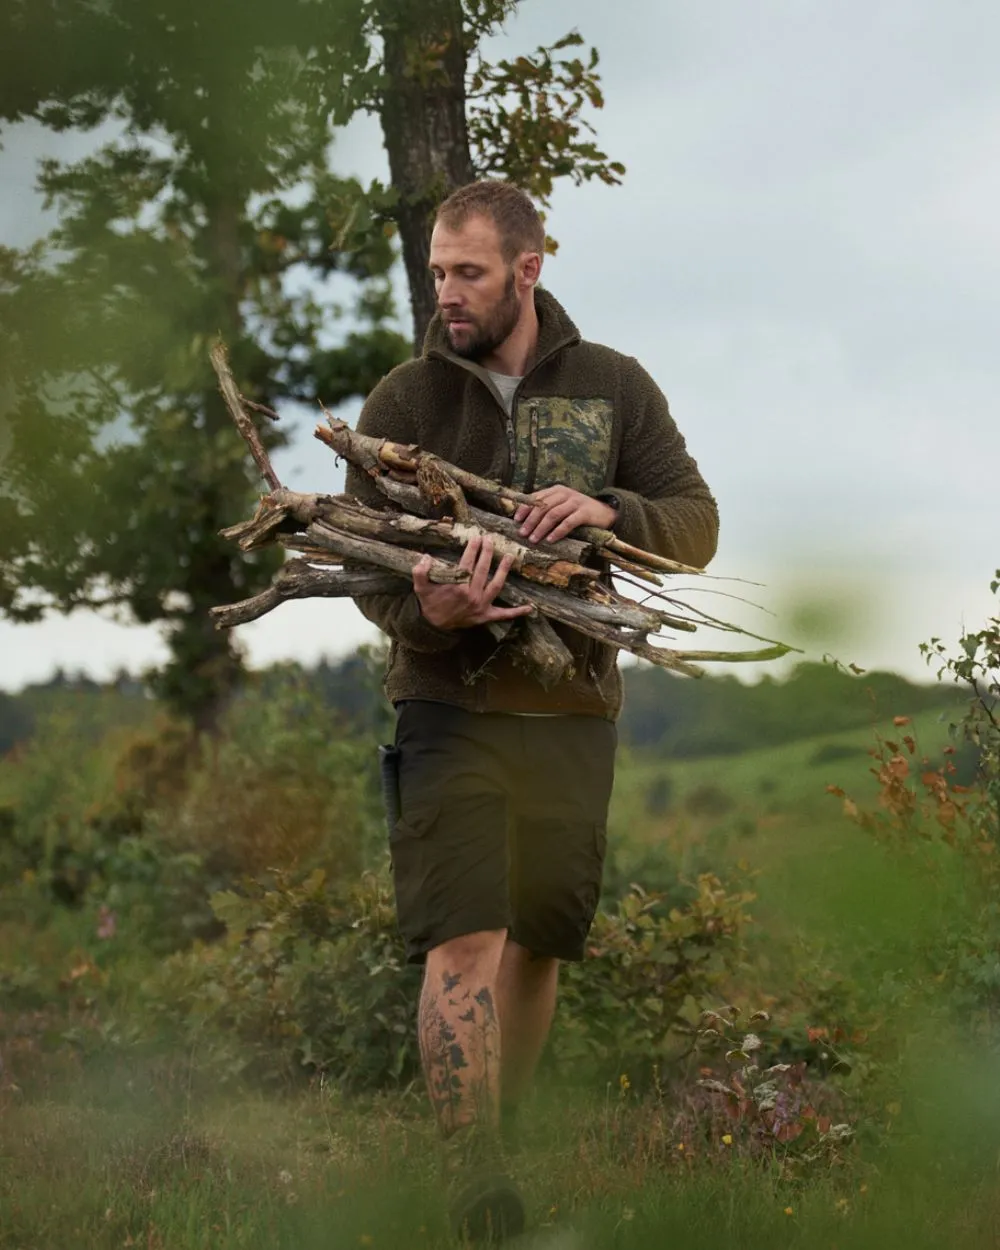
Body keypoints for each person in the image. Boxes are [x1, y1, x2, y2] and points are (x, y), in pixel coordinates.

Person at [346, 180, 718, 1241]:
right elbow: (370, 575)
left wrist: (614, 508)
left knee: (542, 937)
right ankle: (474, 1180)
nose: (447, 293)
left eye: (468, 271)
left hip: (572, 710)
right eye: (437, 272)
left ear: (528, 268)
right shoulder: (405, 401)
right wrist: (429, 606)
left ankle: (498, 1154)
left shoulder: (613, 385)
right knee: (463, 932)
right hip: (445, 703)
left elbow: (696, 524)